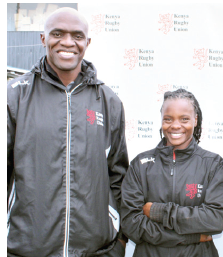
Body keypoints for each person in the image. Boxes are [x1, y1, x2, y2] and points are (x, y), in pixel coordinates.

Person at [7, 7, 129, 257]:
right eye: (57, 33)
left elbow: (118, 175)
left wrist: (119, 242)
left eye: (77, 35)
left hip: (95, 250)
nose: (67, 42)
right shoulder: (14, 96)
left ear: (87, 42)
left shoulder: (108, 101)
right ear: (43, 39)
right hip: (25, 249)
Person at [120, 89, 223, 257]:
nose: (175, 125)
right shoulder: (140, 164)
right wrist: (192, 236)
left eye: (184, 119)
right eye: (168, 119)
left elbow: (214, 220)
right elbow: (131, 224)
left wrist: (159, 211)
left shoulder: (214, 165)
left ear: (195, 120)